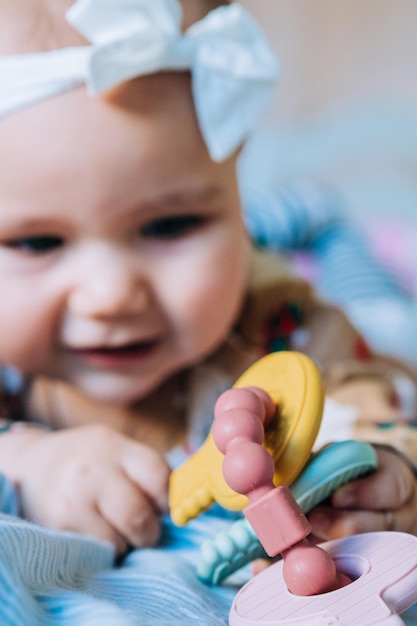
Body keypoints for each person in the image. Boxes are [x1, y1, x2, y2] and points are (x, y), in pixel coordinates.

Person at [0, 0, 416, 567]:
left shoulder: (280, 323)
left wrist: (382, 480)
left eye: (169, 225)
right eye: (37, 242)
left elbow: (377, 401)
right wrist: (25, 461)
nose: (110, 295)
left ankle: (317, 221)